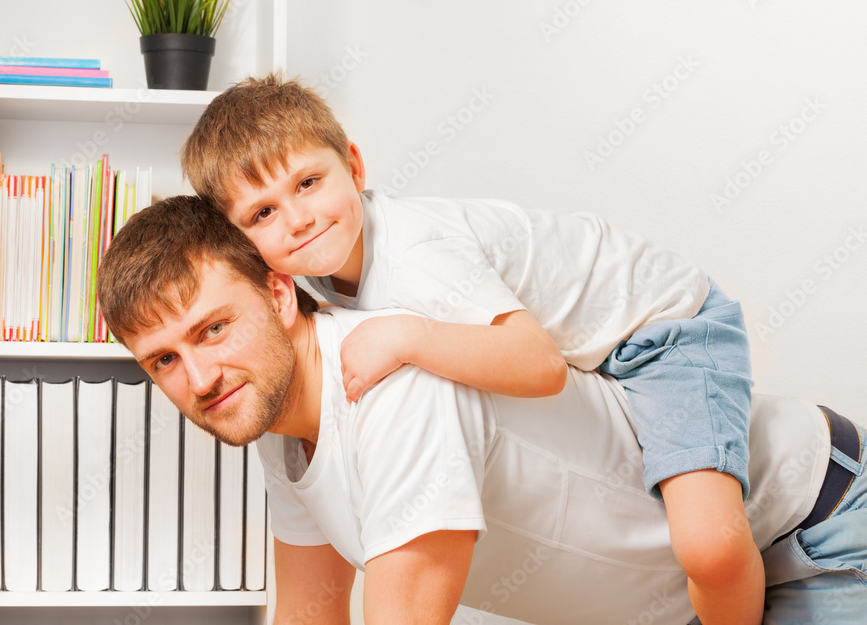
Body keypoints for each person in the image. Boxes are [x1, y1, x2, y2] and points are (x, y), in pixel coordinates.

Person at [97, 195, 867, 625]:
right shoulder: (272, 417)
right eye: (164, 359)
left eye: (212, 329)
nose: (198, 377)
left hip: (803, 524)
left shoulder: (394, 384)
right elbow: (311, 608)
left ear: (276, 293)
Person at [181, 75, 761, 622]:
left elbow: (540, 367)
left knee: (712, 548)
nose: (299, 219)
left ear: (354, 167)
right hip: (602, 356)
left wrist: (410, 336)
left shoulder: (418, 254)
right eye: (263, 214)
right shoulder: (309, 278)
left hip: (667, 331)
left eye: (308, 183)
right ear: (246, 249)